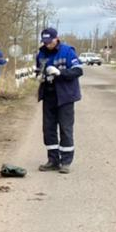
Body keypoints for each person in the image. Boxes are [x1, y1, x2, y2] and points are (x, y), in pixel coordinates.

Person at [35, 27, 83, 173]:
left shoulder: (68, 51)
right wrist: (40, 76)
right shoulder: (41, 54)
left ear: (56, 39)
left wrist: (59, 72)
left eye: (49, 41)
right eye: (45, 41)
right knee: (48, 129)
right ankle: (53, 160)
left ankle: (66, 161)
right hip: (49, 95)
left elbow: (78, 70)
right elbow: (38, 70)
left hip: (65, 96)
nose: (47, 44)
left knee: (65, 128)